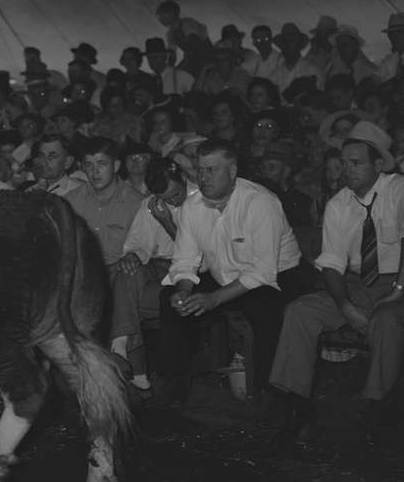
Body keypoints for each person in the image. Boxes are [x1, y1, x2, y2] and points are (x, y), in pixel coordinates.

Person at [270, 122, 404, 442]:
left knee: (387, 321)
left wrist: (398, 291)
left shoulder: (398, 190)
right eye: (344, 163)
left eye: (356, 163)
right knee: (300, 312)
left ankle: (377, 407)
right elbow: (331, 262)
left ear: (379, 165)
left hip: (399, 281)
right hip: (357, 283)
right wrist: (345, 305)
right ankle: (296, 405)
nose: (347, 170)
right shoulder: (339, 204)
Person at [158, 139, 310, 401]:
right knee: (170, 298)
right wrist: (182, 291)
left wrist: (213, 299)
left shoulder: (260, 202)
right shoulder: (193, 207)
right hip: (226, 276)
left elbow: (262, 272)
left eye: (212, 170)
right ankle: (175, 382)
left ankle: (269, 392)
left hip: (279, 276)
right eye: (200, 170)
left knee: (265, 307)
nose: (203, 178)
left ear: (232, 171)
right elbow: (184, 261)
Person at [110, 157, 188, 391]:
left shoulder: (200, 202)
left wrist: (167, 222)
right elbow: (138, 243)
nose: (171, 202)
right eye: (165, 198)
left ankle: (134, 366)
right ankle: (120, 347)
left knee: (124, 297)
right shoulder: (152, 203)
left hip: (187, 270)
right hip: (157, 265)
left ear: (183, 178)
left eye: (175, 195)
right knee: (125, 272)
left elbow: (196, 255)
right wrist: (133, 254)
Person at [64, 137, 145, 269]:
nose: (95, 171)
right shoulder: (71, 201)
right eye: (89, 164)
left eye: (101, 163)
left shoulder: (136, 203)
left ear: (116, 166)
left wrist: (134, 255)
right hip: (81, 272)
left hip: (118, 274)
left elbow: (144, 246)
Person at [270, 23, 324, 93]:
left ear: (300, 45)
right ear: (282, 46)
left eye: (292, 42)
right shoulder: (275, 74)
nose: (289, 45)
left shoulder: (313, 70)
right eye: (286, 42)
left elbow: (319, 95)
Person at [375, 13, 404, 85]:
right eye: (391, 34)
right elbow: (375, 78)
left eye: (398, 32)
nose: (393, 38)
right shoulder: (390, 59)